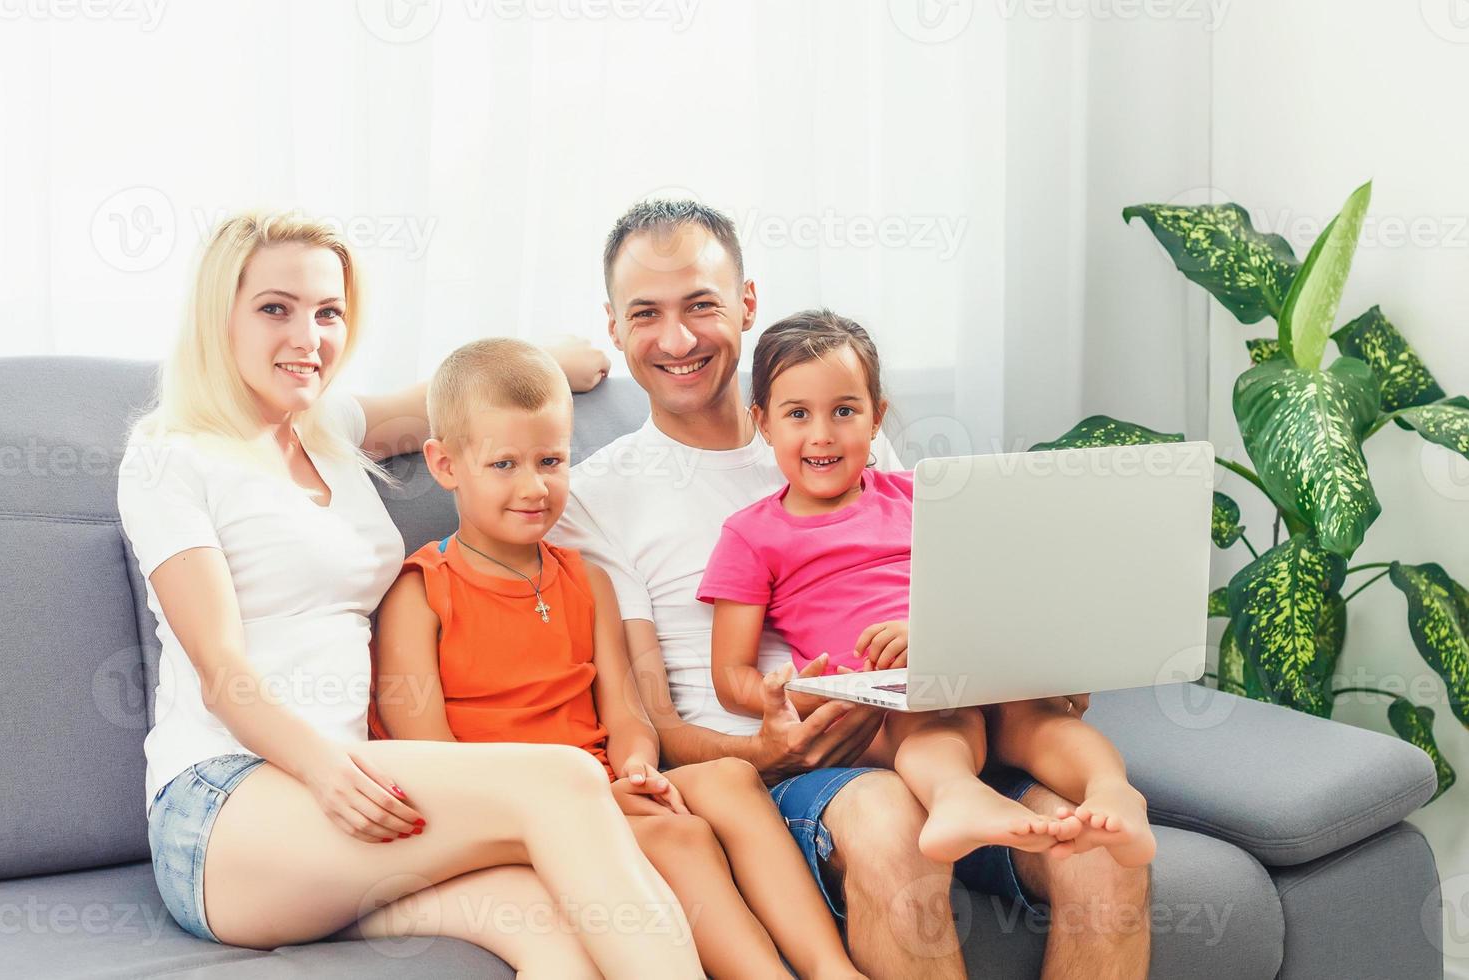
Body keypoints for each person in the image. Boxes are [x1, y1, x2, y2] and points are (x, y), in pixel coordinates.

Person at [549, 199, 1153, 978]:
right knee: (889, 823)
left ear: (747, 305)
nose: (678, 339)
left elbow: (948, 589)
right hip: (801, 774)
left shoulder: (842, 432)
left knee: (1106, 859)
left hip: (945, 720)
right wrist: (764, 748)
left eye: (701, 305)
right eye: (646, 314)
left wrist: (1025, 657)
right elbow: (650, 718)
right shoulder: (595, 497)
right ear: (613, 325)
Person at [116, 210, 703, 979]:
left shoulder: (327, 429)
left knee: (553, 936)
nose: (308, 337)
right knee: (564, 781)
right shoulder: (171, 457)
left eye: (328, 312)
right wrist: (326, 768)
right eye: (274, 309)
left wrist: (550, 361)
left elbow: (444, 398)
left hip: (355, 801)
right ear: (216, 315)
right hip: (228, 805)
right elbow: (221, 668)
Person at [370, 336, 866, 979]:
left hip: (602, 784)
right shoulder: (422, 591)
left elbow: (629, 717)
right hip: (503, 812)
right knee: (678, 834)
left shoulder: (587, 580)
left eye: (551, 460)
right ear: (445, 464)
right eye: (504, 465)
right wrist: (592, 805)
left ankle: (833, 970)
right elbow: (431, 760)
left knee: (730, 779)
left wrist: (636, 770)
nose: (534, 486)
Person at [701, 309, 1157, 870]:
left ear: (876, 419)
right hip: (879, 704)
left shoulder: (927, 496)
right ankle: (955, 796)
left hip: (971, 668)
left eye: (845, 410)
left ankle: (1113, 791)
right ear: (764, 423)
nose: (822, 434)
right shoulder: (751, 534)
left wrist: (957, 638)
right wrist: (799, 693)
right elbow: (731, 678)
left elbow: (997, 588)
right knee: (933, 714)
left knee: (1038, 713)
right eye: (798, 414)